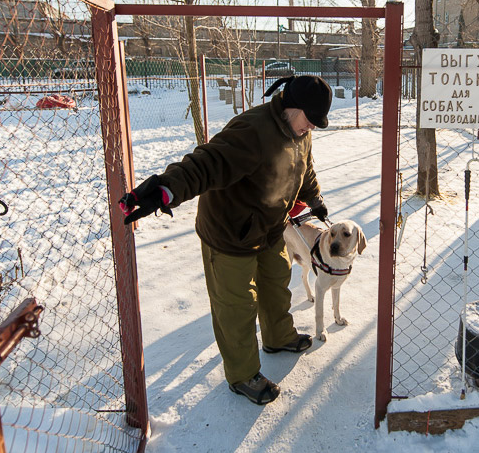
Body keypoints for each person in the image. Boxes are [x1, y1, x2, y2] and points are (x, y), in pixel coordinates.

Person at [120, 75, 332, 405]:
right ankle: (243, 374)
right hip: (230, 232)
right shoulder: (252, 130)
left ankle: (278, 337)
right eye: (310, 119)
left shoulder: (299, 132)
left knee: (276, 283)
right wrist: (166, 189)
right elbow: (207, 162)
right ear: (292, 107)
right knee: (236, 306)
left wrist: (314, 198)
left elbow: (304, 168)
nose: (312, 127)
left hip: (269, 227)